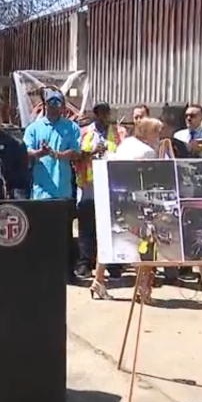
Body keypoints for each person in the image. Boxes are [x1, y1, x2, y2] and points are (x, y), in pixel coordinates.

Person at [88, 118, 165, 300]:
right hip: (137, 202)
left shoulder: (126, 144)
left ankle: (98, 280)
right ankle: (144, 288)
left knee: (110, 240)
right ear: (147, 132)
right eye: (156, 132)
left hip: (116, 199)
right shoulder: (147, 151)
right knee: (144, 244)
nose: (158, 136)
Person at [73, 102, 127, 280]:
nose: (103, 116)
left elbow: (125, 154)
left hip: (112, 185)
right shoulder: (84, 132)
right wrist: (91, 152)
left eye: (106, 112)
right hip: (89, 185)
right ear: (95, 114)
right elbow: (75, 156)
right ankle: (85, 263)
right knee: (87, 226)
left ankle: (113, 265)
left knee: (111, 225)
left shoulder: (119, 133)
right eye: (100, 113)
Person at [23, 88, 81, 200]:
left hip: (63, 192)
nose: (54, 105)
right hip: (40, 193)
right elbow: (26, 152)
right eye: (50, 102)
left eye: (57, 102)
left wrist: (59, 155)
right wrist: (40, 152)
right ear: (45, 104)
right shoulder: (33, 128)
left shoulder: (72, 127)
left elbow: (77, 153)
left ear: (62, 105)